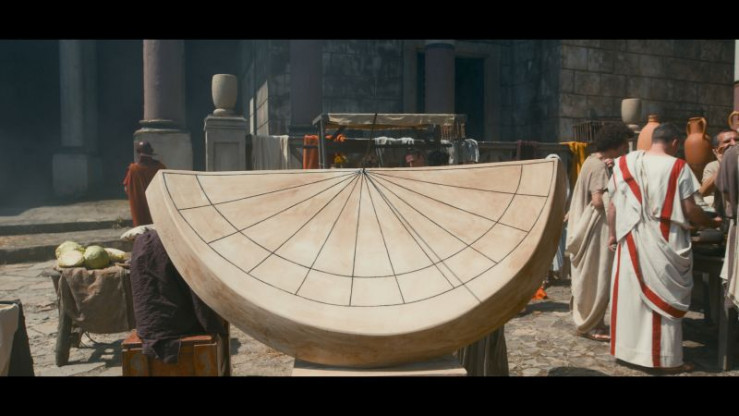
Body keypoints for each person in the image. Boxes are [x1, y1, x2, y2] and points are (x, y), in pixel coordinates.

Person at [607, 122, 719, 373]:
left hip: (630, 238)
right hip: (665, 240)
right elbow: (690, 208)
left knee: (631, 297)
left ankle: (627, 352)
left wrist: (612, 235)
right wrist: (710, 222)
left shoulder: (625, 163)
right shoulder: (678, 166)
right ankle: (665, 361)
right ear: (675, 143)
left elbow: (613, 205)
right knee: (660, 303)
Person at [565, 123, 631, 342]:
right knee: (598, 276)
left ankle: (595, 322)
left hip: (592, 228)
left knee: (594, 277)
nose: (626, 149)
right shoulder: (598, 166)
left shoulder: (591, 161)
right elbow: (598, 200)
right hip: (596, 230)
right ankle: (592, 325)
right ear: (616, 144)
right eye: (624, 145)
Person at [123, 141, 167, 226]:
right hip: (157, 208)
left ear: (138, 152)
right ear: (151, 151)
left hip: (140, 210)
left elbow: (127, 189)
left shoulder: (133, 169)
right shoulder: (160, 167)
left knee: (142, 229)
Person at [699, 130, 738, 211]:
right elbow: (703, 192)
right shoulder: (713, 166)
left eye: (737, 139)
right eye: (727, 141)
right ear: (716, 150)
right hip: (725, 214)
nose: (734, 143)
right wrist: (723, 165)